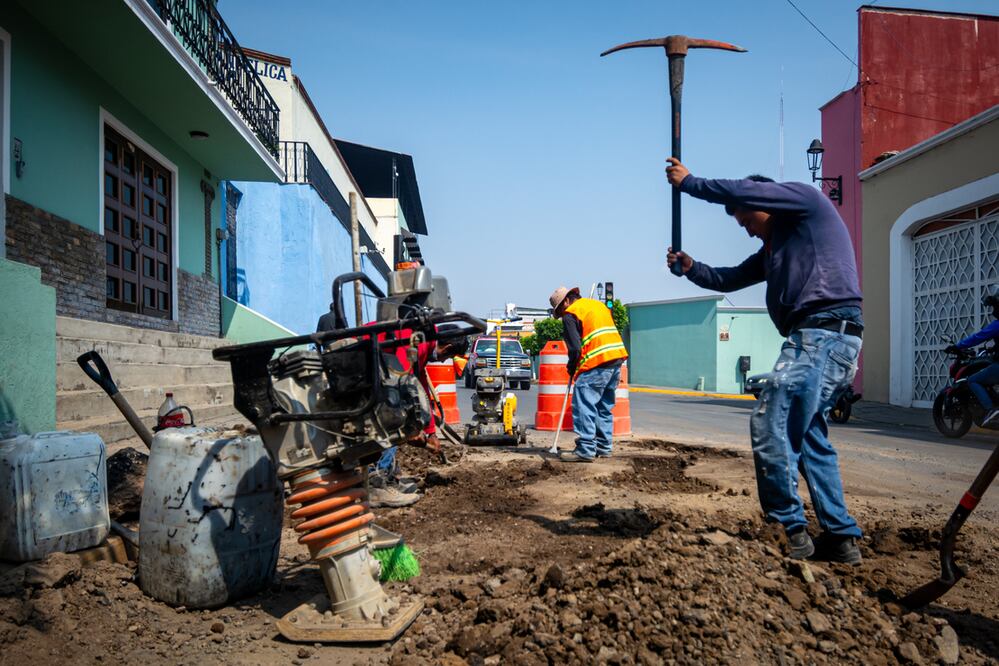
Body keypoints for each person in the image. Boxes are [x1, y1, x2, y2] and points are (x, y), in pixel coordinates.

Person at [664, 157, 864, 565]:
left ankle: (787, 530)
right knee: (809, 438)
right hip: (828, 339)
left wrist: (689, 183)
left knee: (771, 417)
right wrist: (691, 268)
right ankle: (841, 539)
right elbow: (729, 279)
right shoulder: (775, 247)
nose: (746, 229)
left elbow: (740, 189)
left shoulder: (804, 201)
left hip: (821, 334)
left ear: (764, 200)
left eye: (745, 220)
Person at [548, 286, 628, 463]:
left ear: (566, 301)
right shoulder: (597, 306)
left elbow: (575, 349)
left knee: (584, 406)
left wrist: (571, 366)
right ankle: (604, 447)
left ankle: (585, 449)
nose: (562, 315)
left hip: (596, 363)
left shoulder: (571, 313)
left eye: (560, 310)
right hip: (616, 360)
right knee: (603, 407)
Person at [945, 286, 999, 425]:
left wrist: (957, 346)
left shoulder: (997, 325)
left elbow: (978, 337)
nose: (994, 310)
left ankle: (990, 410)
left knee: (973, 380)